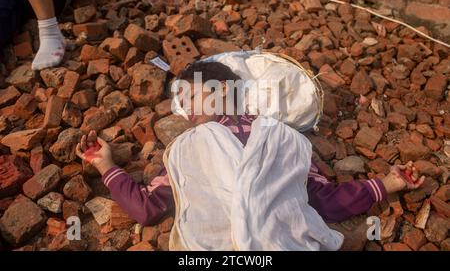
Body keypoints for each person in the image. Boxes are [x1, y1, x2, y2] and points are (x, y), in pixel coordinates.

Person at [76, 61, 424, 250]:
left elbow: (321, 200)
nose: (186, 110)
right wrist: (105, 164)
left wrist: (388, 183)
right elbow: (149, 207)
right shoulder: (188, 148)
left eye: (191, 97)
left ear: (222, 90)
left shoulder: (284, 137)